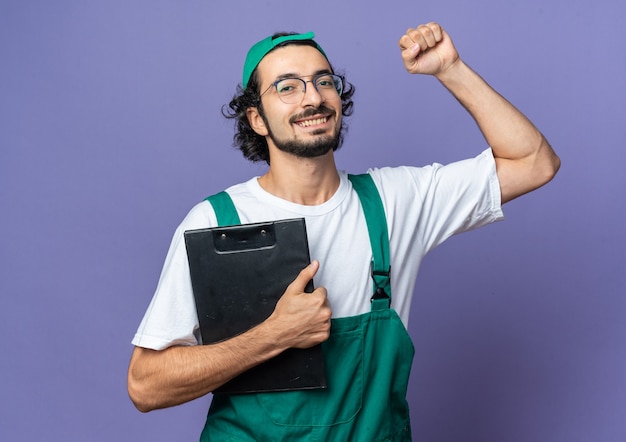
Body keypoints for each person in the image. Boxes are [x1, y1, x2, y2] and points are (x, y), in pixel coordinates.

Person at [128, 22, 560, 441]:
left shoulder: (394, 201)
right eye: (287, 86)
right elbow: (146, 385)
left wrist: (451, 68)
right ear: (257, 119)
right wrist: (272, 336)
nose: (312, 97)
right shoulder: (215, 222)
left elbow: (534, 162)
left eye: (323, 81)